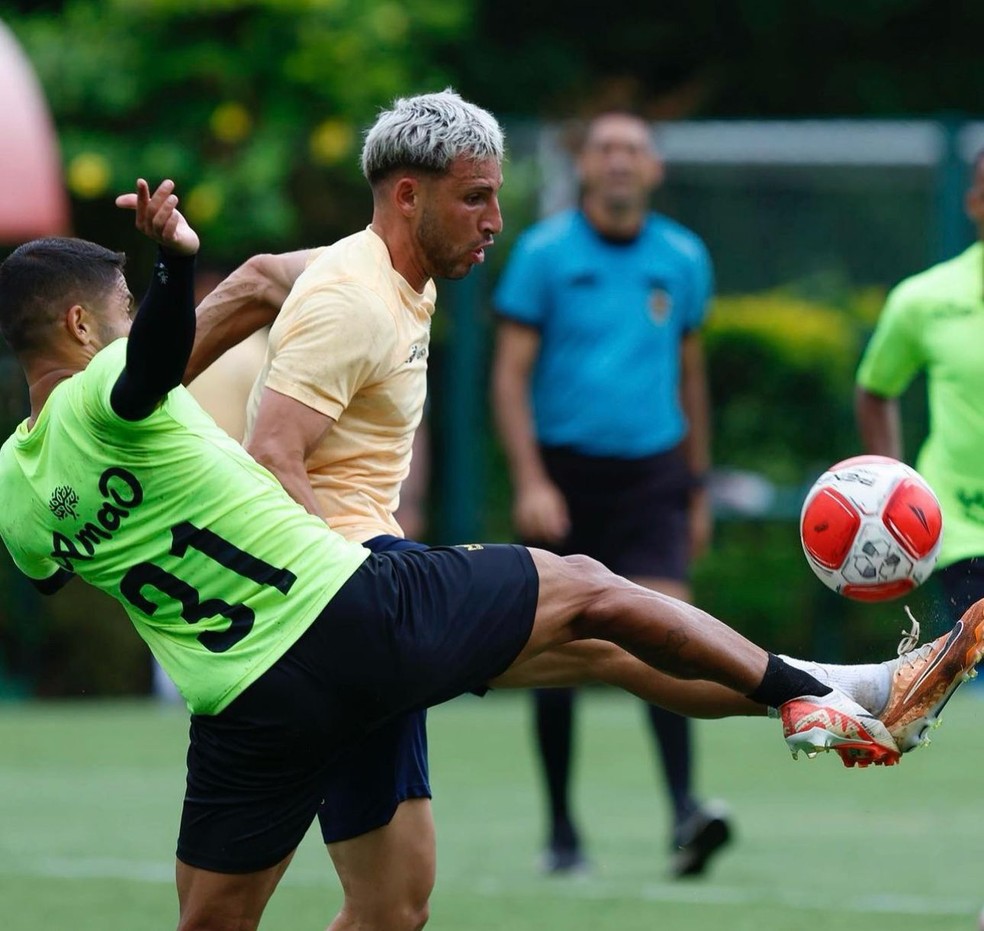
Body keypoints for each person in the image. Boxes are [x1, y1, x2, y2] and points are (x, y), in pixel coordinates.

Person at [172, 92, 982, 931]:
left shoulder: (381, 272)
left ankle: (838, 704)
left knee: (392, 906)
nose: (494, 219)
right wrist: (333, 597)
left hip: (352, 603)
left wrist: (127, 393)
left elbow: (261, 274)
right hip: (346, 596)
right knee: (596, 601)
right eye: (474, 198)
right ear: (408, 195)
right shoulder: (355, 294)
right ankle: (844, 692)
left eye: (494, 194)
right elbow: (273, 452)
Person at [490, 110, 724, 877]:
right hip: (565, 474)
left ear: (655, 168)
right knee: (562, 644)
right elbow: (510, 375)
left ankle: (687, 813)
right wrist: (530, 479)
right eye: (605, 149)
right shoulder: (543, 253)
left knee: (672, 632)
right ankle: (561, 829)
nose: (620, 161)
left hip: (654, 471)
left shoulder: (684, 256)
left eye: (634, 149)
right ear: (584, 166)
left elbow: (692, 376)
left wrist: (696, 487)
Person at [856, 148, 984, 628]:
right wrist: (891, 485)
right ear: (974, 202)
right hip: (964, 532)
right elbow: (875, 388)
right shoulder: (923, 300)